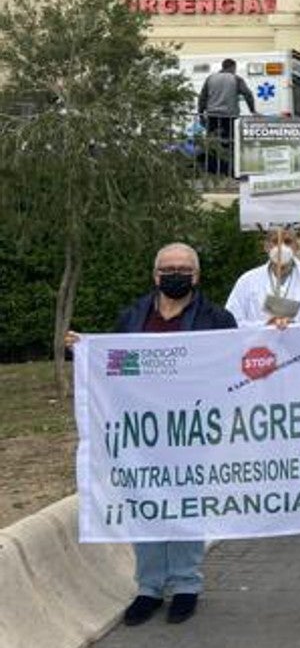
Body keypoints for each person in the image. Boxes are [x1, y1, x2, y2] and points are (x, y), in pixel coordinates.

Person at [64, 243, 236, 627]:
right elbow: (116, 363)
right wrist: (86, 351)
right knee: (147, 503)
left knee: (185, 504)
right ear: (155, 275)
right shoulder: (132, 316)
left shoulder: (216, 319)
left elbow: (230, 369)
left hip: (191, 430)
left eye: (184, 268)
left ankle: (186, 585)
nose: (176, 274)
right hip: (143, 431)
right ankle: (149, 587)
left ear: (197, 275)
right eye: (168, 268)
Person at [225, 227, 300, 328]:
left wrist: (297, 326)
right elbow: (232, 322)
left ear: (296, 247)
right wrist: (265, 325)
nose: (281, 248)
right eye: (275, 241)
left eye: (287, 242)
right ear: (266, 247)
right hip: (263, 346)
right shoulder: (247, 281)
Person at [196, 59, 256, 175]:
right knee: (231, 143)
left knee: (212, 144)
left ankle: (213, 171)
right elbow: (247, 94)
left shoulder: (210, 79)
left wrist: (200, 114)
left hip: (212, 117)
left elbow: (202, 98)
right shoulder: (236, 79)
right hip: (229, 117)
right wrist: (253, 110)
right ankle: (230, 171)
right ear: (233, 67)